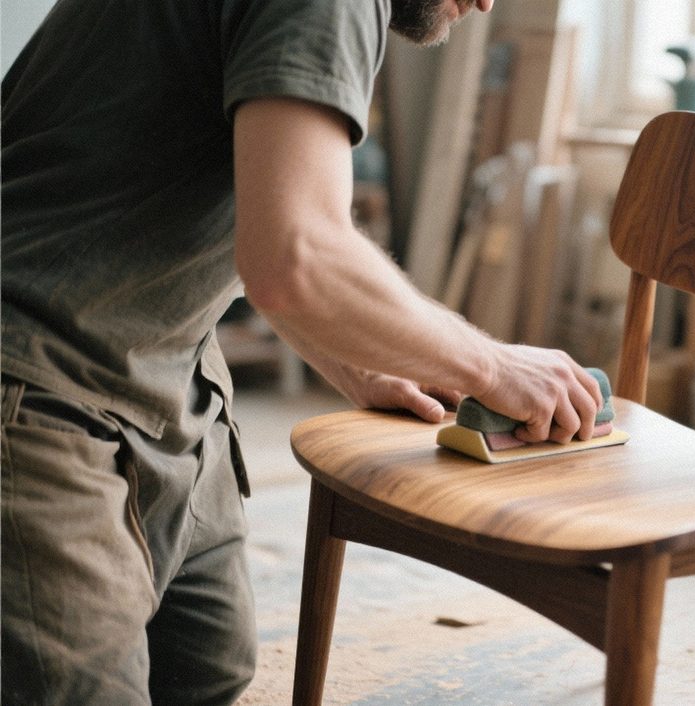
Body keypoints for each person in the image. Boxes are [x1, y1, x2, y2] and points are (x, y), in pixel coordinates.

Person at [0, 0, 604, 702]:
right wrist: (494, 366)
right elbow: (297, 254)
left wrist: (350, 355)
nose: (489, 2)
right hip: (34, 384)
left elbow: (256, 207)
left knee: (205, 676)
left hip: (172, 377)